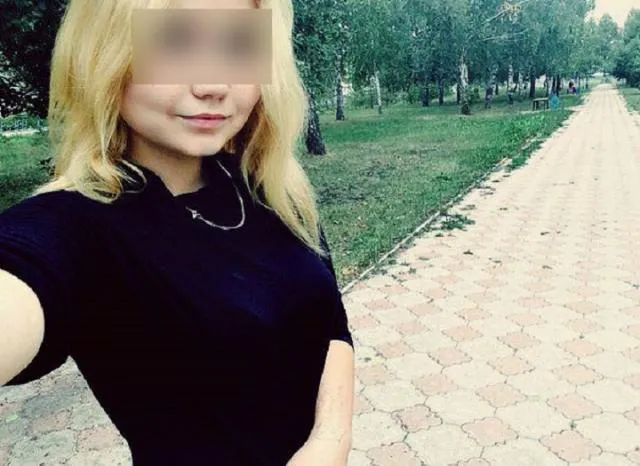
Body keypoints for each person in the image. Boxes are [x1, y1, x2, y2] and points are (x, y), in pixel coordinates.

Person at [0, 0, 355, 465]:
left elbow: (331, 321)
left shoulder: (272, 187)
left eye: (239, 44)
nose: (213, 84)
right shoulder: (79, 224)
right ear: (105, 52)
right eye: (174, 40)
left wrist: (330, 440)